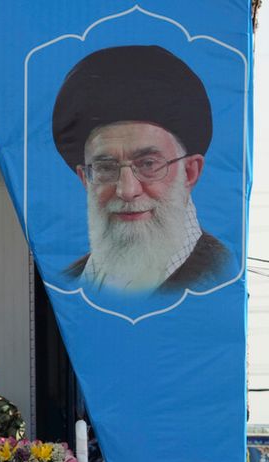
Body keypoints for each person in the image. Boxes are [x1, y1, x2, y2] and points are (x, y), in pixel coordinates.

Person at [52, 45, 237, 294]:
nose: (127, 190)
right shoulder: (68, 285)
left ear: (190, 172)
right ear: (85, 179)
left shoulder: (220, 279)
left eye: (148, 164)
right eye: (106, 167)